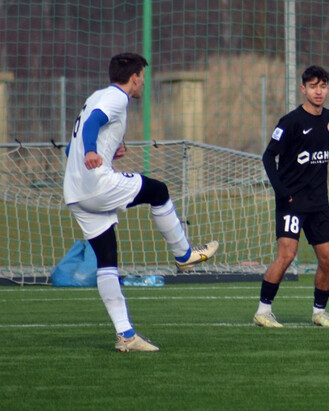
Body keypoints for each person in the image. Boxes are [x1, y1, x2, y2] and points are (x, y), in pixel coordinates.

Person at [63, 52, 219, 352]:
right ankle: (184, 254)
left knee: (107, 260)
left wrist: (101, 151)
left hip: (76, 193)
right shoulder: (117, 99)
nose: (143, 84)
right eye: (143, 78)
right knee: (158, 191)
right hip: (98, 185)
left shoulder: (96, 96)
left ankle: (126, 336)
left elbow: (74, 142)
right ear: (134, 78)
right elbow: (92, 126)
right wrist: (92, 152)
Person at [253, 65, 329, 328]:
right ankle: (263, 311)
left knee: (328, 258)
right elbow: (268, 156)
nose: (319, 91)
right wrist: (281, 191)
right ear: (303, 89)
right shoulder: (290, 121)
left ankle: (319, 312)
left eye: (323, 86)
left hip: (318, 203)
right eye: (313, 86)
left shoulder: (328, 117)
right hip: (291, 201)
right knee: (287, 255)